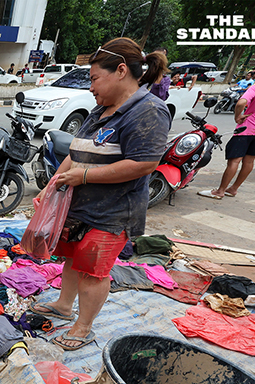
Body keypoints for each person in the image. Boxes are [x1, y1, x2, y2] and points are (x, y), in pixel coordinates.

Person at [30, 38, 171, 350]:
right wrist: (52, 186)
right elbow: (77, 151)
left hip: (113, 211)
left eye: (94, 78)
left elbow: (144, 163)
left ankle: (83, 326)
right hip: (80, 205)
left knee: (93, 271)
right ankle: (64, 306)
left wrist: (84, 176)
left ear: (121, 71)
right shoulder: (101, 110)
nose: (91, 86)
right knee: (72, 258)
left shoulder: (148, 110)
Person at [198, 54, 255, 200]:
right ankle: (233, 189)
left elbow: (241, 103)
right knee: (249, 160)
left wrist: (238, 116)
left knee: (234, 161)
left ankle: (220, 191)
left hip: (247, 127)